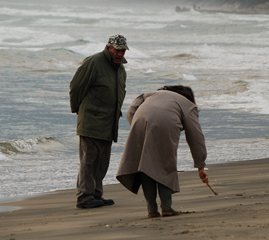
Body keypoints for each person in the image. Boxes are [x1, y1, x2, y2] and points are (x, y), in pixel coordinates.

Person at [115, 85, 210, 218]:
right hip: (165, 123)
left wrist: (138, 128)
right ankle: (167, 207)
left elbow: (131, 109)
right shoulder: (187, 105)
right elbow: (196, 136)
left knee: (144, 164)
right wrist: (200, 165)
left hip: (140, 119)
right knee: (166, 163)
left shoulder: (150, 94)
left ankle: (152, 209)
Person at [69, 34, 128, 209]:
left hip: (109, 122)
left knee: (102, 161)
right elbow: (76, 87)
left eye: (123, 50)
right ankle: (84, 197)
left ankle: (95, 193)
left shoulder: (121, 69)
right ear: (108, 48)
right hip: (91, 120)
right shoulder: (93, 62)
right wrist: (77, 109)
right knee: (89, 160)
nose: (120, 53)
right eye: (117, 50)